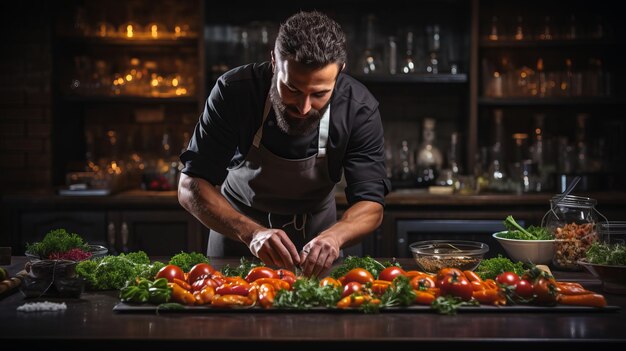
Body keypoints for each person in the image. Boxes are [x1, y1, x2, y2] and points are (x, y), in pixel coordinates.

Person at [178, 10, 390, 277]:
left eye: (319, 94)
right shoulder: (234, 92)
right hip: (238, 238)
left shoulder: (358, 108)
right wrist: (250, 232)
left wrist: (334, 237)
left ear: (340, 74)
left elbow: (371, 204)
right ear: (274, 63)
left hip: (318, 243)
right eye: (292, 89)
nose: (303, 107)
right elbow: (190, 186)